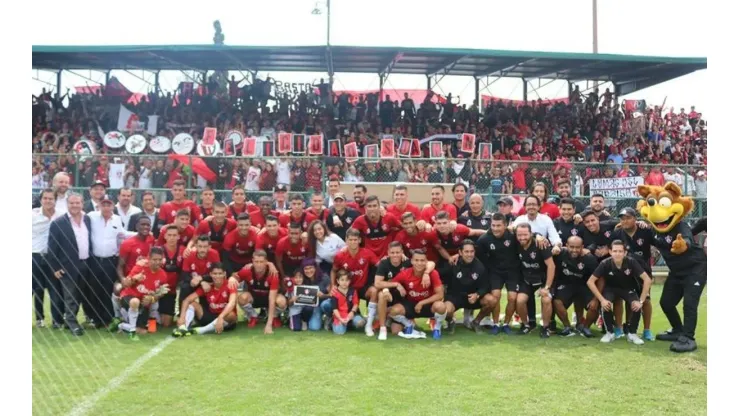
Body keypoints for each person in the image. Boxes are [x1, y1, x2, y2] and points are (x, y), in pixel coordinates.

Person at [586, 240, 652, 345]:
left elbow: (647, 280)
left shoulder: (631, 262)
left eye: (620, 251)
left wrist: (641, 301)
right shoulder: (605, 263)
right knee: (606, 304)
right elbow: (590, 282)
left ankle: (632, 333)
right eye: (615, 251)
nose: (617, 254)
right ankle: (610, 333)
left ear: (625, 252)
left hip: (628, 289)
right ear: (610, 252)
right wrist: (601, 300)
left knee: (636, 305)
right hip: (611, 289)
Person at [47, 193, 93, 336]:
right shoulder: (58, 223)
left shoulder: (87, 219)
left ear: (82, 204)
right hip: (67, 266)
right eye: (72, 203)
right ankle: (72, 323)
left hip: (85, 263)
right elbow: (52, 248)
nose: (75, 206)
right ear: (67, 204)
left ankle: (70, 321)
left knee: (80, 295)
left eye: (77, 203)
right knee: (70, 296)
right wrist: (55, 268)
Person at [610, 207, 657, 341]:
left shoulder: (645, 230)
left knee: (646, 300)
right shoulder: (617, 233)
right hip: (623, 272)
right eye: (622, 218)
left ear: (635, 219)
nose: (625, 221)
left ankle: (647, 330)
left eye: (628, 218)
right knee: (620, 298)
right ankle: (620, 328)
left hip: (642, 271)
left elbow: (657, 243)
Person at [325, 229, 379, 335]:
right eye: (350, 240)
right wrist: (333, 285)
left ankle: (369, 324)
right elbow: (333, 270)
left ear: (359, 240)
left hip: (362, 288)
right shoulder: (340, 255)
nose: (353, 242)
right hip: (346, 289)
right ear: (346, 240)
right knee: (327, 304)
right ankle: (332, 318)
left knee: (374, 291)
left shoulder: (367, 253)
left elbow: (380, 265)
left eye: (355, 240)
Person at [475, 213, 521, 334]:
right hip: (495, 272)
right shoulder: (484, 239)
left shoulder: (513, 235)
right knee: (496, 295)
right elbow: (479, 257)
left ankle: (506, 324)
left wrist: (537, 236)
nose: (495, 228)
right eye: (493, 225)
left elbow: (526, 236)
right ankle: (495, 324)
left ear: (505, 225)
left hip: (512, 271)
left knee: (512, 297)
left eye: (498, 225)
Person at [388, 250, 447, 340]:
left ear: (426, 262)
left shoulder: (433, 273)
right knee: (393, 312)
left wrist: (422, 303)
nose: (419, 263)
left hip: (428, 304)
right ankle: (408, 324)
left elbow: (440, 295)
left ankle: (437, 328)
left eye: (422, 260)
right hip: (411, 304)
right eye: (416, 260)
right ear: (412, 261)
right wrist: (397, 285)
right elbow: (390, 283)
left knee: (441, 306)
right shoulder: (405, 273)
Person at [550, 236, 599, 337]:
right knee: (556, 301)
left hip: (584, 285)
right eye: (571, 247)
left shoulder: (589, 258)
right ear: (566, 246)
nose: (574, 250)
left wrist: (596, 298)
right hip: (567, 284)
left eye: (577, 247)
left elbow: (599, 278)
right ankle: (567, 327)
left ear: (582, 247)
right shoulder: (559, 254)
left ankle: (584, 327)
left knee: (594, 306)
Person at [88, 196, 125, 328]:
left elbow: (122, 235)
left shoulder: (117, 219)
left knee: (108, 289)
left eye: (108, 205)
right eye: (103, 205)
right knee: (94, 289)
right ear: (99, 205)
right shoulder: (91, 216)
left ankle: (108, 318)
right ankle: (96, 319)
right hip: (95, 260)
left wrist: (139, 234)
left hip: (110, 260)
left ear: (113, 206)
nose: (106, 207)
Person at [118, 247, 170, 341]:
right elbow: (125, 284)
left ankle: (122, 325)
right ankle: (132, 331)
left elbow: (161, 293)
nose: (157, 262)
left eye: (159, 259)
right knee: (135, 301)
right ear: (149, 259)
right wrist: (135, 278)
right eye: (154, 259)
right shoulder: (140, 267)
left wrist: (152, 299)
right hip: (128, 298)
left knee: (148, 330)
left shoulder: (163, 275)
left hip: (144, 304)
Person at [442, 240, 493, 334]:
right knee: (444, 310)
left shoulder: (480, 266)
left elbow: (485, 286)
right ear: (460, 252)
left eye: (472, 251)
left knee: (491, 300)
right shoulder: (453, 263)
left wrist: (477, 295)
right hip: (455, 297)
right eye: (466, 252)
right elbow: (441, 277)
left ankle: (476, 322)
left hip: (472, 297)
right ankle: (451, 321)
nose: (469, 254)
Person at [173, 262, 237, 336]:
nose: (217, 276)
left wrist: (221, 317)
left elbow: (232, 303)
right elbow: (187, 300)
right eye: (215, 274)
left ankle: (203, 330)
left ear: (224, 274)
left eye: (220, 273)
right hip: (210, 317)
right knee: (192, 303)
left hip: (225, 320)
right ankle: (183, 328)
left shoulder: (230, 284)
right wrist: (182, 317)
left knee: (232, 315)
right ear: (210, 274)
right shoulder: (207, 286)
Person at [514, 223, 556, 338]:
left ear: (531, 234)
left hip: (542, 279)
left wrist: (547, 287)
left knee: (546, 299)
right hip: (527, 279)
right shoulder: (516, 243)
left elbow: (551, 266)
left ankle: (545, 327)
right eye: (519, 235)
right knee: (520, 301)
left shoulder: (540, 244)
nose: (522, 237)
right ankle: (527, 325)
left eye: (525, 235)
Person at [32, 188, 64, 328]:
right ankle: (39, 319)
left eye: (51, 198)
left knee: (55, 289)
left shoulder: (62, 216)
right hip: (35, 256)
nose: (48, 201)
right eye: (45, 198)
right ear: (41, 199)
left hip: (54, 258)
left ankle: (57, 321)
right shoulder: (32, 215)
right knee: (37, 289)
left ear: (55, 200)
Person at [235, 250, 286, 334]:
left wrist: (268, 325)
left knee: (282, 301)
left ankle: (274, 316)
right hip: (254, 298)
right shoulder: (247, 270)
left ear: (266, 262)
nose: (259, 264)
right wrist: (231, 279)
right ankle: (253, 316)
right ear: (252, 261)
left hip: (268, 299)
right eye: (256, 261)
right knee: (242, 298)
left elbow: (272, 299)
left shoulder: (273, 274)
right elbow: (235, 276)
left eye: (261, 262)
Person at [180, 235, 221, 310]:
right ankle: (182, 314)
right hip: (193, 281)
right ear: (195, 246)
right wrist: (201, 282)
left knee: (217, 283)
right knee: (185, 287)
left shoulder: (214, 254)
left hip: (208, 280)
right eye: (200, 246)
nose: (202, 249)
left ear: (209, 247)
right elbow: (184, 275)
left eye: (205, 247)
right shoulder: (189, 254)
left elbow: (217, 273)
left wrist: (202, 279)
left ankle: (208, 312)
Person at [329, 270, 366, 334]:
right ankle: (332, 323)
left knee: (361, 323)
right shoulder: (334, 292)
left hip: (350, 315)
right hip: (339, 316)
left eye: (347, 280)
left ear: (350, 281)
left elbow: (356, 304)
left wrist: (352, 312)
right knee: (340, 332)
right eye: (342, 280)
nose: (344, 282)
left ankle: (349, 324)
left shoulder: (353, 291)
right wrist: (340, 319)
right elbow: (335, 309)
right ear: (338, 281)